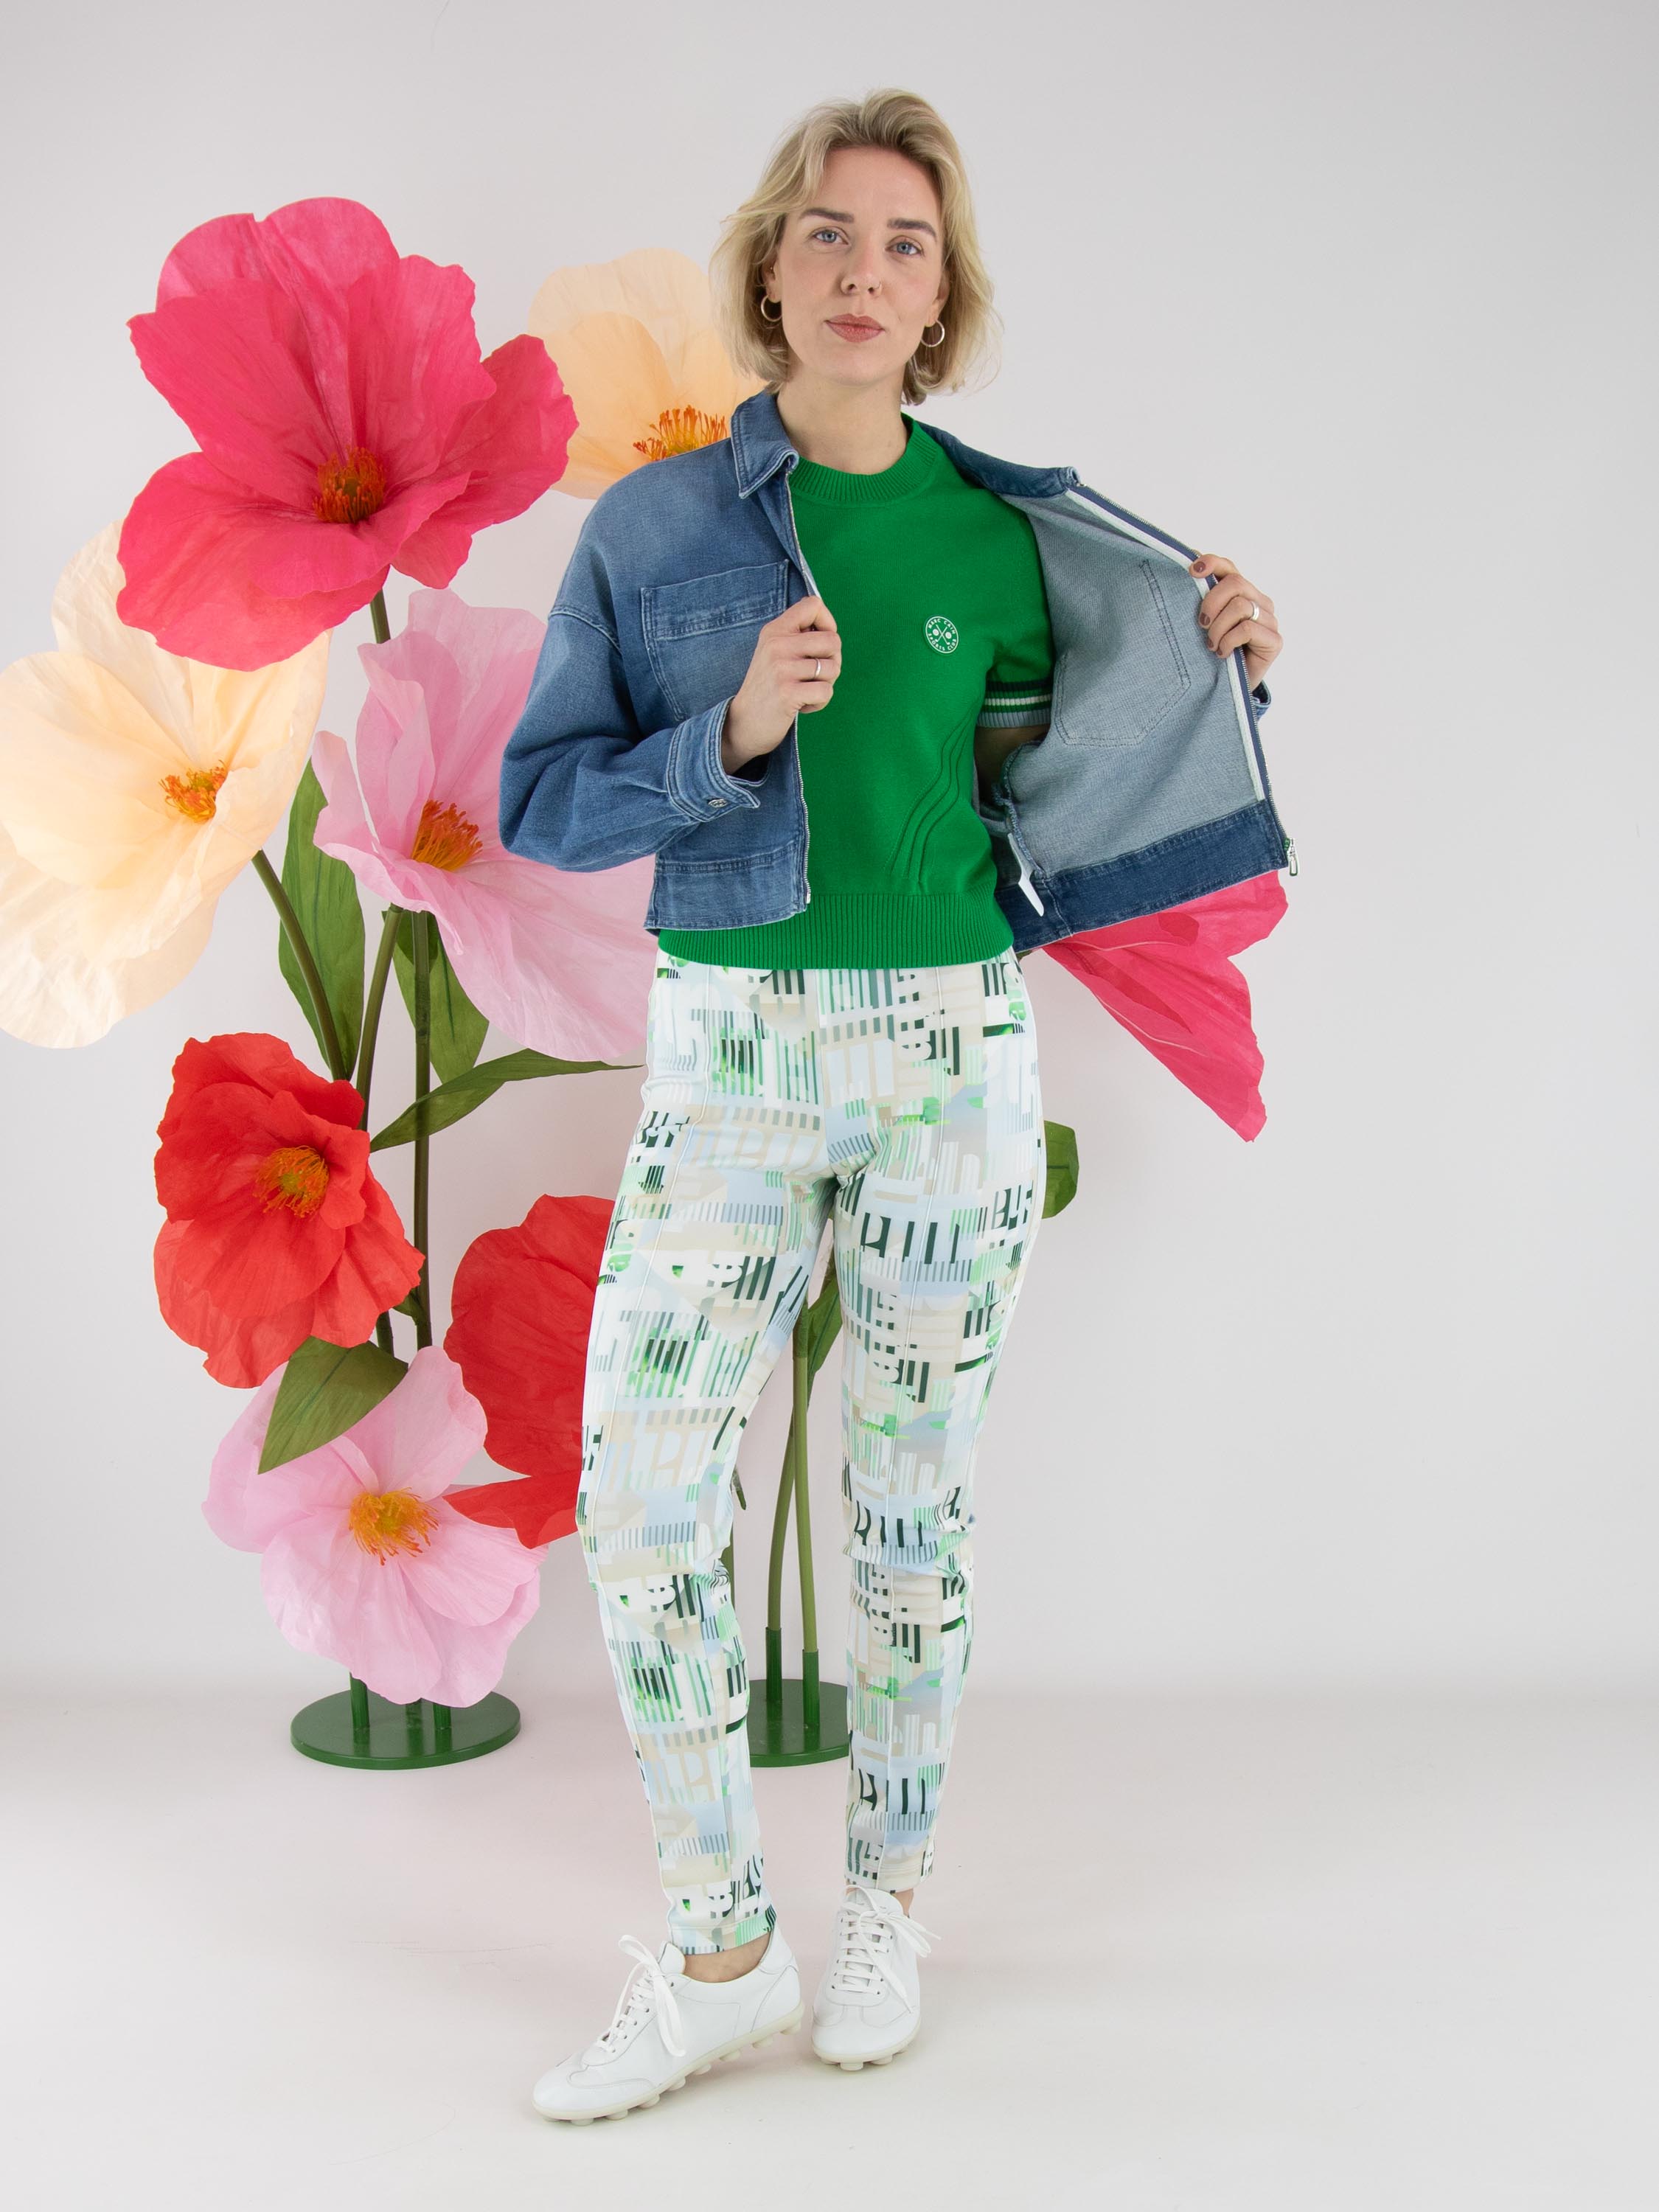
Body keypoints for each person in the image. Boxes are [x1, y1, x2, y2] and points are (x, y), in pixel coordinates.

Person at [500, 87, 1284, 2126]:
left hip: (949, 1053)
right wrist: (728, 733)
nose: (864, 271)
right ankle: (716, 1953)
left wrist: (1216, 666)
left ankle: (885, 1910)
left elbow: (1052, 788)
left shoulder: (1009, 538)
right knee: (641, 1501)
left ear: (945, 299)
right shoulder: (654, 532)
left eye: (905, 244)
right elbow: (540, 804)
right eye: (830, 234)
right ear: (771, 270)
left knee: (906, 1510)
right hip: (730, 1058)